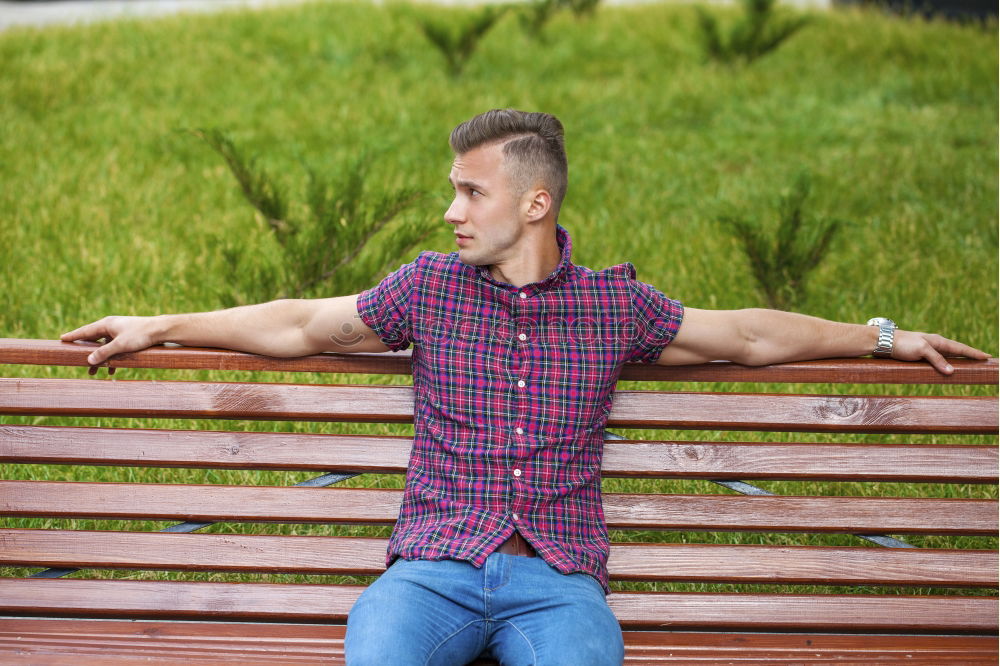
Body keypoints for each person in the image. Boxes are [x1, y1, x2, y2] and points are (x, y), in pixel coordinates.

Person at [62, 109, 989, 666]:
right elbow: (300, 325)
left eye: (471, 193)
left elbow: (745, 334)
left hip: (557, 581)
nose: (450, 211)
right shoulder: (426, 290)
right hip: (430, 572)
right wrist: (160, 323)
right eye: (453, 193)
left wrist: (882, 338)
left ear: (534, 204)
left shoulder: (612, 309)